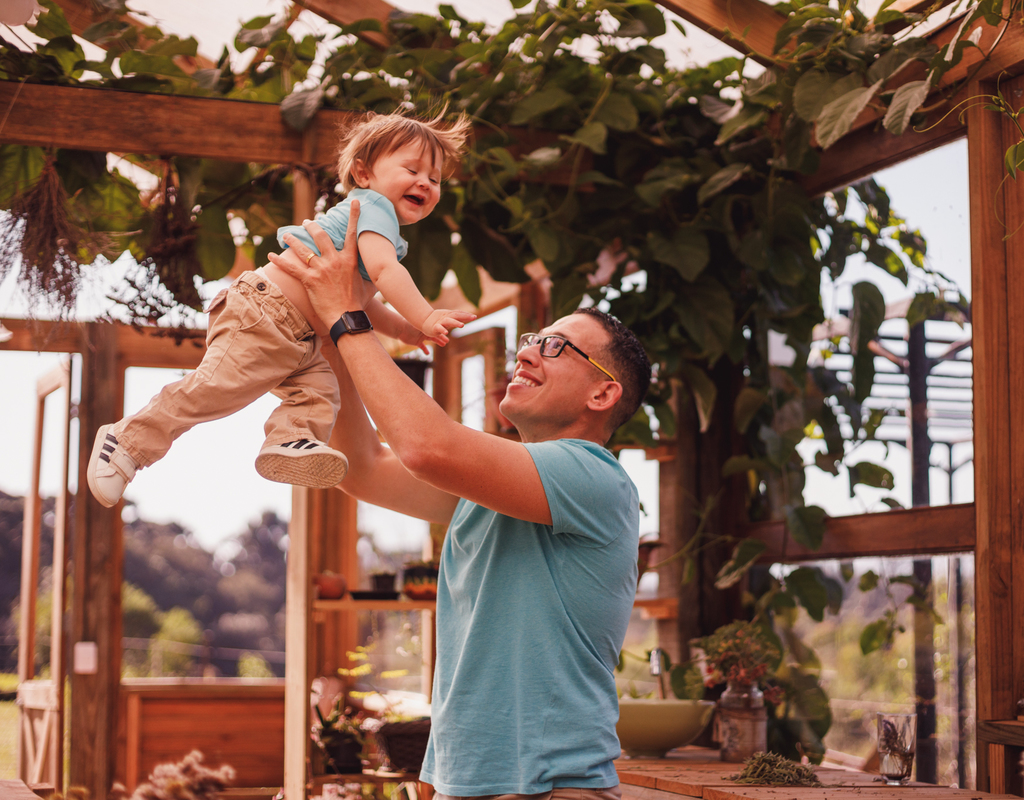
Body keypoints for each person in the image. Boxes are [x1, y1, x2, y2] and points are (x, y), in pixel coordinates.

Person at [268, 203, 653, 800]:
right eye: (532, 340)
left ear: (604, 392)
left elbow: (426, 447)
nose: (525, 354)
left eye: (555, 348)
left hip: (551, 786)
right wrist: (324, 330)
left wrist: (347, 316)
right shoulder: (496, 490)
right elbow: (364, 471)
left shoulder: (592, 478)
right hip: (465, 782)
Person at [87, 110, 476, 508]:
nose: (424, 183)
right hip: (265, 313)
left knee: (320, 394)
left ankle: (289, 440)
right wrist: (425, 316)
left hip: (298, 336)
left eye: (435, 178)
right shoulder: (373, 209)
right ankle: (127, 440)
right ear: (363, 174)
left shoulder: (377, 226)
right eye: (411, 169)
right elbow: (383, 271)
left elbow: (361, 297)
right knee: (214, 391)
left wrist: (404, 332)